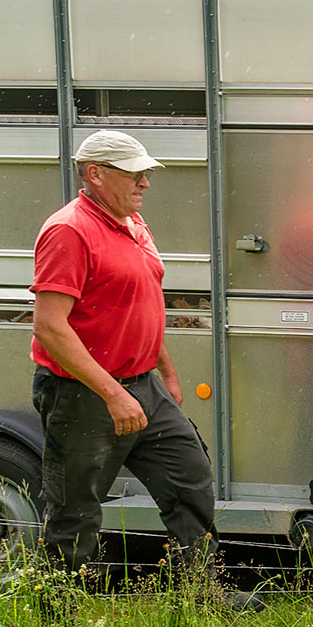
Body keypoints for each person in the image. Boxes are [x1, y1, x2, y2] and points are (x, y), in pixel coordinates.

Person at [30, 130, 216, 579]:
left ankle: (199, 598)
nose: (145, 183)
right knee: (75, 512)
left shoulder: (133, 224)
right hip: (83, 396)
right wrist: (114, 395)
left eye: (146, 173)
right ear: (95, 174)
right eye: (135, 174)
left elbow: (139, 303)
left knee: (190, 478)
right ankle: (59, 620)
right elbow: (50, 327)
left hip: (144, 386)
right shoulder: (68, 231)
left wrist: (165, 372)